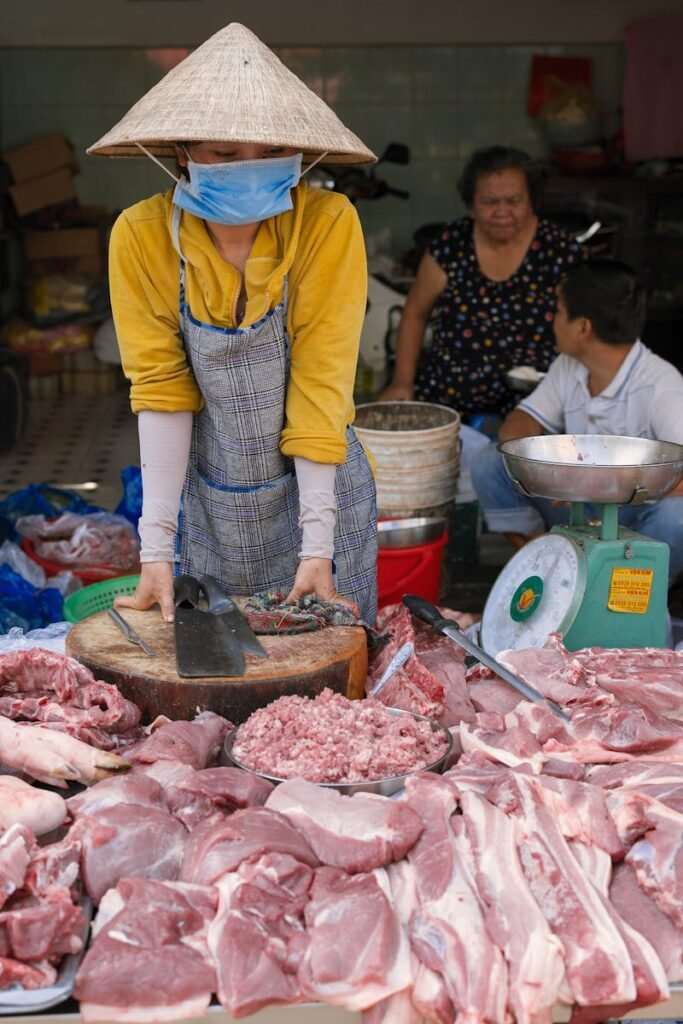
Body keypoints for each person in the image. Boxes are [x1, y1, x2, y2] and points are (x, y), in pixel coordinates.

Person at [87, 22, 379, 624]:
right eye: (224, 155)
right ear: (181, 154)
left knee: (332, 686)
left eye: (271, 153)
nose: (249, 168)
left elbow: (322, 383)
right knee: (217, 678)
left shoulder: (326, 223)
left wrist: (317, 544)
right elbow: (162, 392)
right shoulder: (140, 236)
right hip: (211, 496)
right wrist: (156, 550)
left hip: (323, 489)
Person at [471, 259, 683, 584]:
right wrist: (553, 469)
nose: (552, 320)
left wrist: (591, 485)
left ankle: (622, 591)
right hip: (573, 506)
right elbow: (520, 422)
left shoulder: (662, 385)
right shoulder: (567, 366)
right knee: (490, 461)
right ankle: (550, 572)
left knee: (677, 517)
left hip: (636, 519)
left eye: (557, 310)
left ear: (583, 327)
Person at [379, 145, 582, 419]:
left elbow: (583, 325)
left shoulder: (560, 250)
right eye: (490, 202)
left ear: (531, 200)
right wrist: (402, 381)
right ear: (472, 205)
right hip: (452, 401)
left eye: (513, 201)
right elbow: (415, 313)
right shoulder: (450, 245)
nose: (502, 211)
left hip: (536, 406)